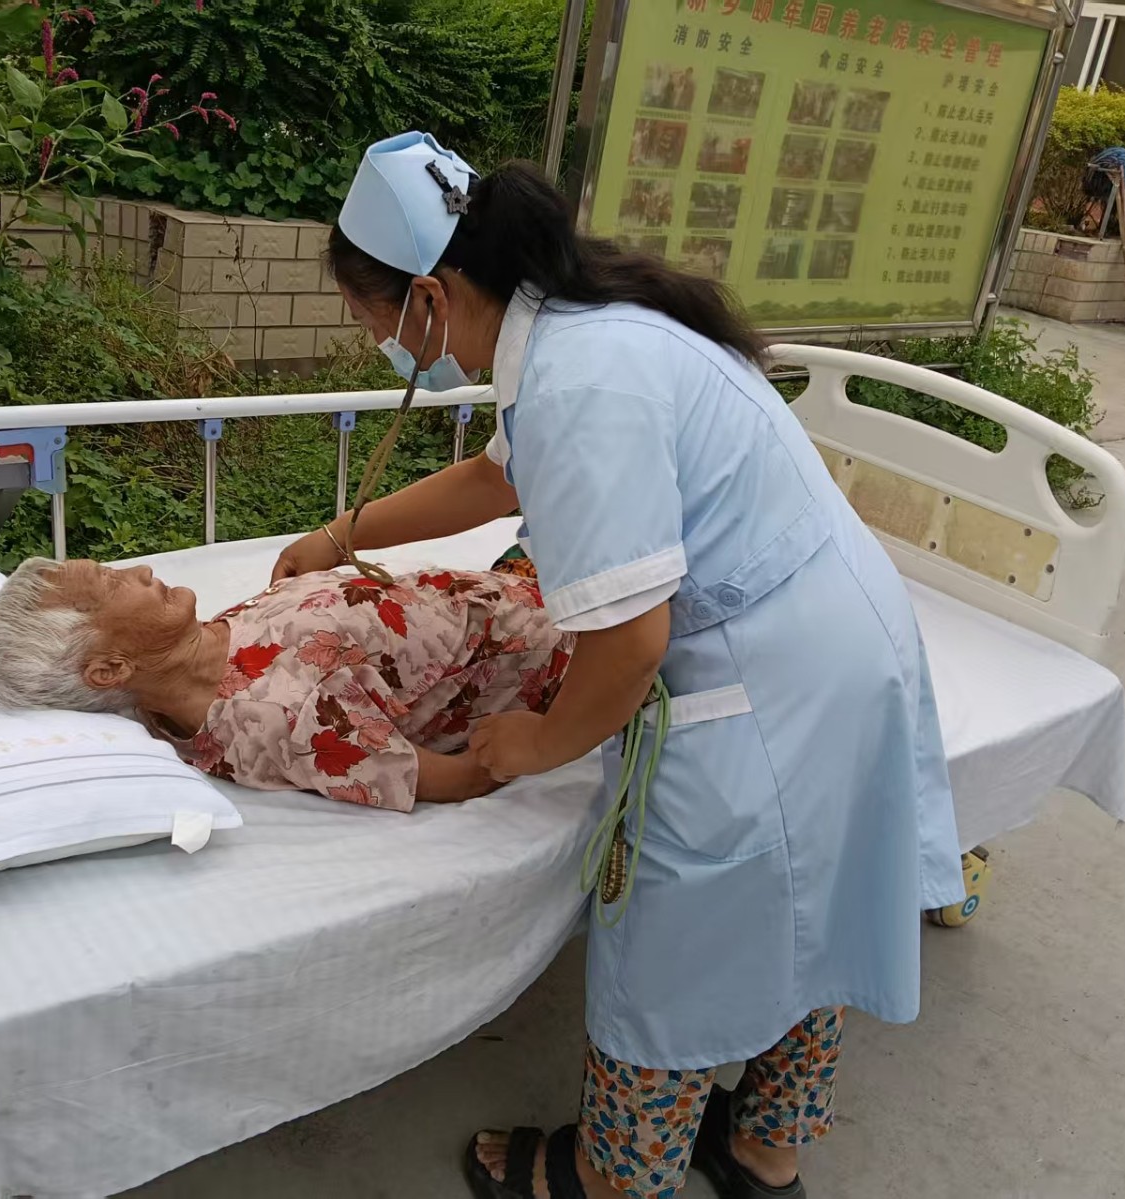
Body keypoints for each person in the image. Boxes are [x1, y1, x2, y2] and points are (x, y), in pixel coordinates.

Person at [270, 131, 964, 1199]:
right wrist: (342, 534)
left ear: (430, 297)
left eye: (372, 322)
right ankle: (765, 1148)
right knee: (815, 906)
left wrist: (534, 743)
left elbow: (631, 643)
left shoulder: (578, 380)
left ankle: (614, 1176)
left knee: (671, 943)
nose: (376, 344)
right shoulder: (583, 327)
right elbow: (498, 481)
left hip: (765, 679)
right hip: (845, 640)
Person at [0, 556, 573, 809]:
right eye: (112, 584)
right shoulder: (283, 718)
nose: (142, 569)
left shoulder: (197, 645)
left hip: (525, 574)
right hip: (573, 639)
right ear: (110, 670)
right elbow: (457, 780)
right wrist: (540, 741)